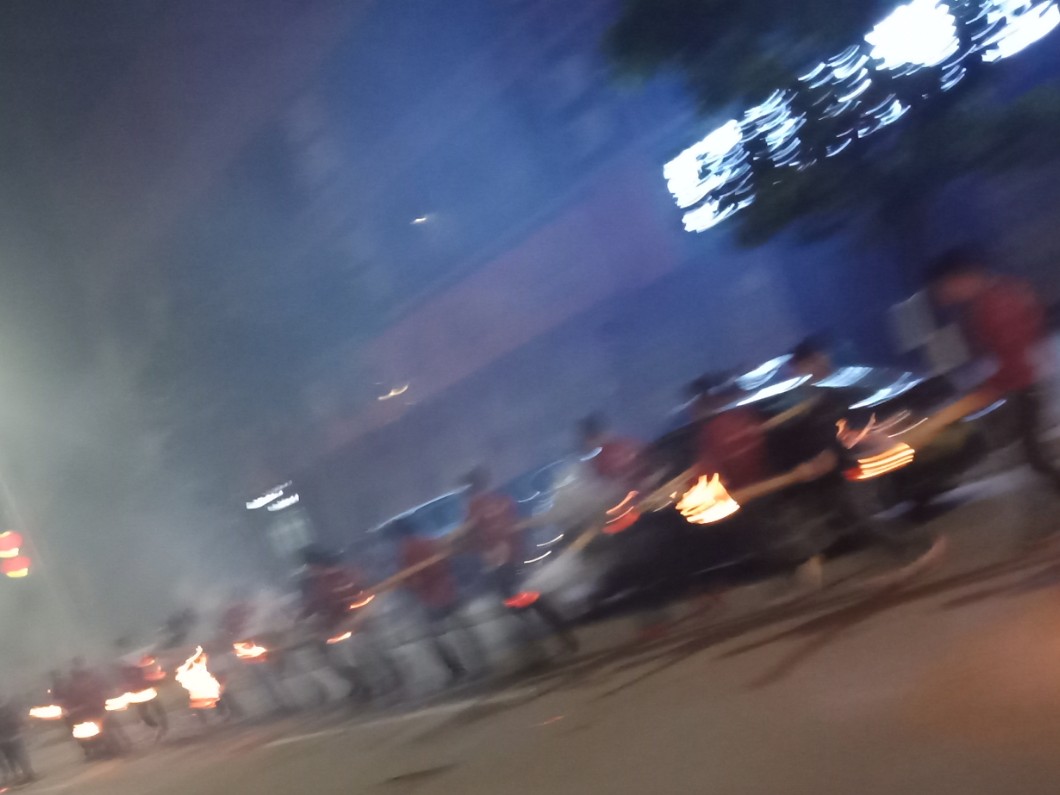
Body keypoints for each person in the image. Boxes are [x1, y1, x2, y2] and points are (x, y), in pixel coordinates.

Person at [917, 249, 1060, 492]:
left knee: (1034, 454)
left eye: (946, 287)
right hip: (1023, 382)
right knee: (1032, 453)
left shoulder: (995, 303)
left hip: (1024, 384)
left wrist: (992, 387)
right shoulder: (988, 300)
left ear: (963, 278)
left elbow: (1012, 352)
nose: (945, 295)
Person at [461, 467, 579, 656]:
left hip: (500, 563)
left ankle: (535, 649)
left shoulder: (474, 508)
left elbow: (472, 536)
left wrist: (475, 549)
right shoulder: (502, 500)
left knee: (517, 606)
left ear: (470, 488)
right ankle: (564, 636)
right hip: (518, 556)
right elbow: (517, 524)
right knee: (535, 599)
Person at [299, 546, 403, 703]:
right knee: (346, 661)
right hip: (341, 627)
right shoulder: (321, 581)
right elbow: (317, 603)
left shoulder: (343, 575)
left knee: (369, 656)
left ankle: (389, 685)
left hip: (359, 624)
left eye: (311, 567)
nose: (310, 570)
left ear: (316, 565)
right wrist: (305, 619)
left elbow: (357, 597)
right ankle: (368, 687)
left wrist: (353, 618)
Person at [393, 518, 489, 684]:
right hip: (448, 589)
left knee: (437, 636)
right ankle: (480, 662)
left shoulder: (407, 550)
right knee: (462, 629)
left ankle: (457, 669)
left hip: (432, 597)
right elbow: (447, 560)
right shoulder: (429, 541)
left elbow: (413, 579)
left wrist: (411, 588)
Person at [113, 639, 168, 739]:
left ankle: (163, 727)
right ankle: (158, 727)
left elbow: (147, 672)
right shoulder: (123, 666)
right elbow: (123, 681)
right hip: (136, 693)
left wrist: (154, 681)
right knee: (144, 714)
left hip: (146, 689)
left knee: (157, 709)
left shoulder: (137, 661)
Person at [578, 413, 646, 489]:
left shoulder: (625, 444)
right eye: (593, 436)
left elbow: (643, 455)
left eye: (599, 433)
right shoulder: (599, 464)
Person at [0, 695, 35, 786]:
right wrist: (26, 725)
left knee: (11, 759)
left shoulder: (8, 709)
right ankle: (27, 773)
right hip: (13, 737)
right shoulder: (8, 709)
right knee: (20, 756)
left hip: (5, 739)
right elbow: (18, 719)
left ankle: (17, 774)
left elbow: (17, 719)